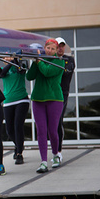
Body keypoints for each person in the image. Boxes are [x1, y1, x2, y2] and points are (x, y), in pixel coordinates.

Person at [26, 38, 65, 173]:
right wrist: (35, 62)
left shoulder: (60, 62)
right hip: (38, 99)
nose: (50, 50)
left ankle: (55, 155)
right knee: (41, 131)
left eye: (52, 49)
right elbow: (29, 77)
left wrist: (38, 61)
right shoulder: (39, 60)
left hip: (54, 99)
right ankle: (43, 162)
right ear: (44, 48)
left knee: (52, 131)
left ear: (56, 51)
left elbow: (47, 72)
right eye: (47, 48)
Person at [0, 57, 30, 165]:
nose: (7, 58)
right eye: (5, 57)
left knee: (18, 126)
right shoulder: (3, 68)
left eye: (10, 56)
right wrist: (10, 62)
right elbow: (1, 74)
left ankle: (19, 153)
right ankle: (19, 145)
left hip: (21, 100)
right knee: (9, 130)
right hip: (8, 101)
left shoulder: (20, 66)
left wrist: (15, 61)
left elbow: (21, 70)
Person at [55, 37, 75, 154]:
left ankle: (58, 150)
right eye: (57, 46)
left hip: (62, 94)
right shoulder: (50, 59)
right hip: (51, 93)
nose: (60, 48)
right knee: (51, 124)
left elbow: (66, 73)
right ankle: (54, 148)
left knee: (58, 121)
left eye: (62, 46)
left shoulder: (69, 60)